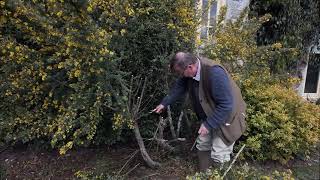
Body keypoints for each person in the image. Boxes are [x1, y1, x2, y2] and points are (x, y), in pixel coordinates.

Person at [152, 52, 246, 172]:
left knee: (219, 153)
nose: (181, 76)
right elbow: (180, 87)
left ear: (190, 67)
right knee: (202, 144)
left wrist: (208, 124)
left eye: (181, 73)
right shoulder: (191, 72)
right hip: (210, 114)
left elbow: (226, 105)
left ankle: (220, 175)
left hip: (228, 117)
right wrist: (164, 103)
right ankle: (205, 175)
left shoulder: (215, 73)